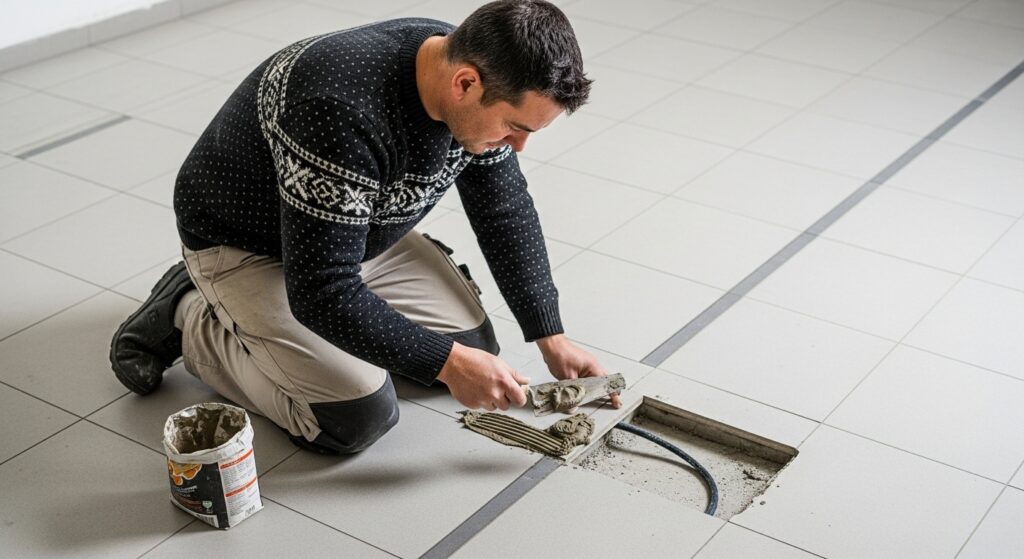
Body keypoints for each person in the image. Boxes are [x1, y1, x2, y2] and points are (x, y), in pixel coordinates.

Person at [110, 0, 620, 455]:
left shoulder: (475, 67)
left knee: (475, 348)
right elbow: (321, 290)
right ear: (465, 83)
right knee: (355, 418)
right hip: (252, 246)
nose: (520, 146)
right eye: (517, 127)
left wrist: (550, 334)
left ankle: (274, 298)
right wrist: (445, 362)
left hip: (353, 230)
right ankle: (190, 311)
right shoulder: (337, 109)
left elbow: (503, 209)